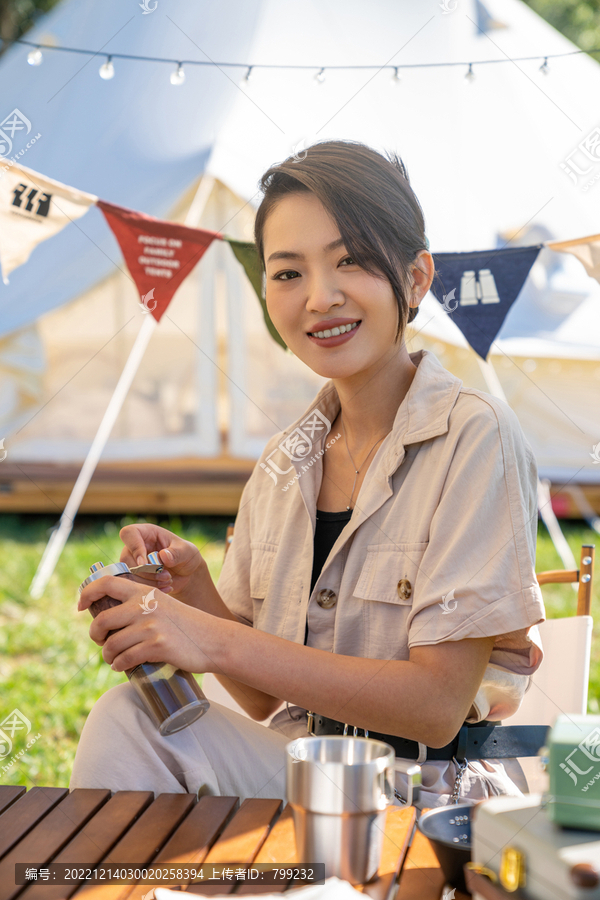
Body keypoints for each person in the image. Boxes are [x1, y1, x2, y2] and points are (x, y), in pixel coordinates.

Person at [71, 140, 545, 808]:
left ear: (414, 278)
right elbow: (262, 695)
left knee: (133, 727)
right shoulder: (283, 462)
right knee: (129, 719)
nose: (320, 298)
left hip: (428, 793)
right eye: (288, 273)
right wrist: (197, 593)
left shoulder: (476, 434)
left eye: (349, 260)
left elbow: (438, 706)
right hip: (302, 770)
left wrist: (213, 638)